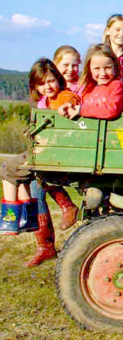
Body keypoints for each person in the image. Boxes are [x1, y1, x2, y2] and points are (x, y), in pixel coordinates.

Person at [0, 58, 81, 267]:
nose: (48, 86)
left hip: (54, 153)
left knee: (8, 169)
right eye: (42, 83)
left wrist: (66, 106)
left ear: (58, 80)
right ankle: (32, 227)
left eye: (52, 81)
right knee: (26, 180)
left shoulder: (61, 96)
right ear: (35, 86)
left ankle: (13, 217)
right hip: (45, 151)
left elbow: (69, 99)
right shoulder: (43, 102)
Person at [59, 44, 123, 120]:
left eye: (107, 68)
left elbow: (111, 110)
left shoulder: (117, 86)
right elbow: (80, 105)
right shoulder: (88, 88)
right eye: (97, 68)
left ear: (115, 67)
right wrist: (70, 107)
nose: (103, 73)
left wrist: (81, 110)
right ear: (89, 69)